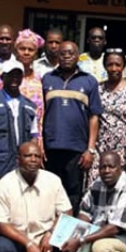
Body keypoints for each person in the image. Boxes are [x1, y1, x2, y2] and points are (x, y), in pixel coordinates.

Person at [0, 142, 72, 252]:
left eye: (37, 156)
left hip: (45, 238)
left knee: (67, 238)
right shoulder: (4, 185)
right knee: (1, 249)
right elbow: (1, 225)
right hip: (18, 238)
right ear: (18, 159)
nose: (33, 159)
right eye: (28, 156)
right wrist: (28, 243)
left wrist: (51, 234)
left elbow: (66, 212)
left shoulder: (53, 180)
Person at [43, 41, 102, 213]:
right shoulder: (47, 79)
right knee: (50, 191)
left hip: (77, 149)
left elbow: (94, 116)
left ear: (78, 56)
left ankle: (67, 231)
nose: (67, 56)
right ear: (57, 56)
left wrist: (90, 149)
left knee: (73, 192)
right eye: (63, 53)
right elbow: (41, 113)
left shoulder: (89, 81)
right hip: (50, 148)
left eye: (71, 53)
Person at [0, 59, 39, 186]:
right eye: (11, 75)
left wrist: (32, 162)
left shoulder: (30, 105)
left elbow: (34, 137)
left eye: (18, 75)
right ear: (3, 77)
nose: (14, 79)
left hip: (22, 166)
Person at [87, 49, 126, 188]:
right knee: (94, 186)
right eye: (110, 64)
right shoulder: (97, 88)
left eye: (117, 65)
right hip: (101, 146)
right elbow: (93, 117)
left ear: (123, 66)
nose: (113, 68)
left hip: (123, 148)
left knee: (120, 188)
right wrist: (91, 148)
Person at [0, 29, 45, 137]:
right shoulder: (1, 74)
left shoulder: (39, 78)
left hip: (32, 135)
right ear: (16, 50)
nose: (26, 52)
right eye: (22, 49)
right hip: (6, 133)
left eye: (30, 49)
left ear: (36, 53)